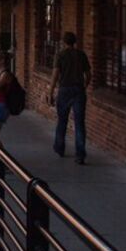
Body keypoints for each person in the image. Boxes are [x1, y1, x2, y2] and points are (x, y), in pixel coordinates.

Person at [48, 31, 91, 164]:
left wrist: (50, 91)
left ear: (64, 42)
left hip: (65, 89)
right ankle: (80, 154)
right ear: (74, 41)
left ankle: (60, 147)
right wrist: (84, 86)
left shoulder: (60, 55)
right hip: (78, 89)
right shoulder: (81, 55)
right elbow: (88, 74)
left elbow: (55, 75)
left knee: (62, 120)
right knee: (79, 123)